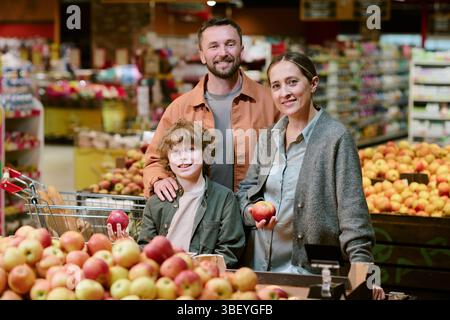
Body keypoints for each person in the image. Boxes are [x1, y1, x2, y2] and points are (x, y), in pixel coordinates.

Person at [236, 52, 385, 299]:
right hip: (260, 274)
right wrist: (252, 214)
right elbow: (246, 193)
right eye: (276, 86)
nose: (284, 92)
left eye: (292, 82)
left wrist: (366, 277)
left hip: (310, 277)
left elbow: (354, 217)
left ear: (313, 84)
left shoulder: (336, 139)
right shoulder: (269, 138)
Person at [143, 17, 280, 200]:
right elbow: (154, 161)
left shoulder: (271, 102)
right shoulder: (180, 108)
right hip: (200, 221)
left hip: (256, 219)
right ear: (201, 55)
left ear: (242, 50)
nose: (223, 53)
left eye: (230, 44)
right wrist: (159, 180)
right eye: (213, 46)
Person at [130, 120, 245, 268]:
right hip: (165, 275)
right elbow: (146, 247)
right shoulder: (155, 202)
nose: (183, 157)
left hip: (204, 277)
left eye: (191, 149)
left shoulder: (224, 199)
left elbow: (231, 248)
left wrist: (201, 268)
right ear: (168, 159)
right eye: (175, 151)